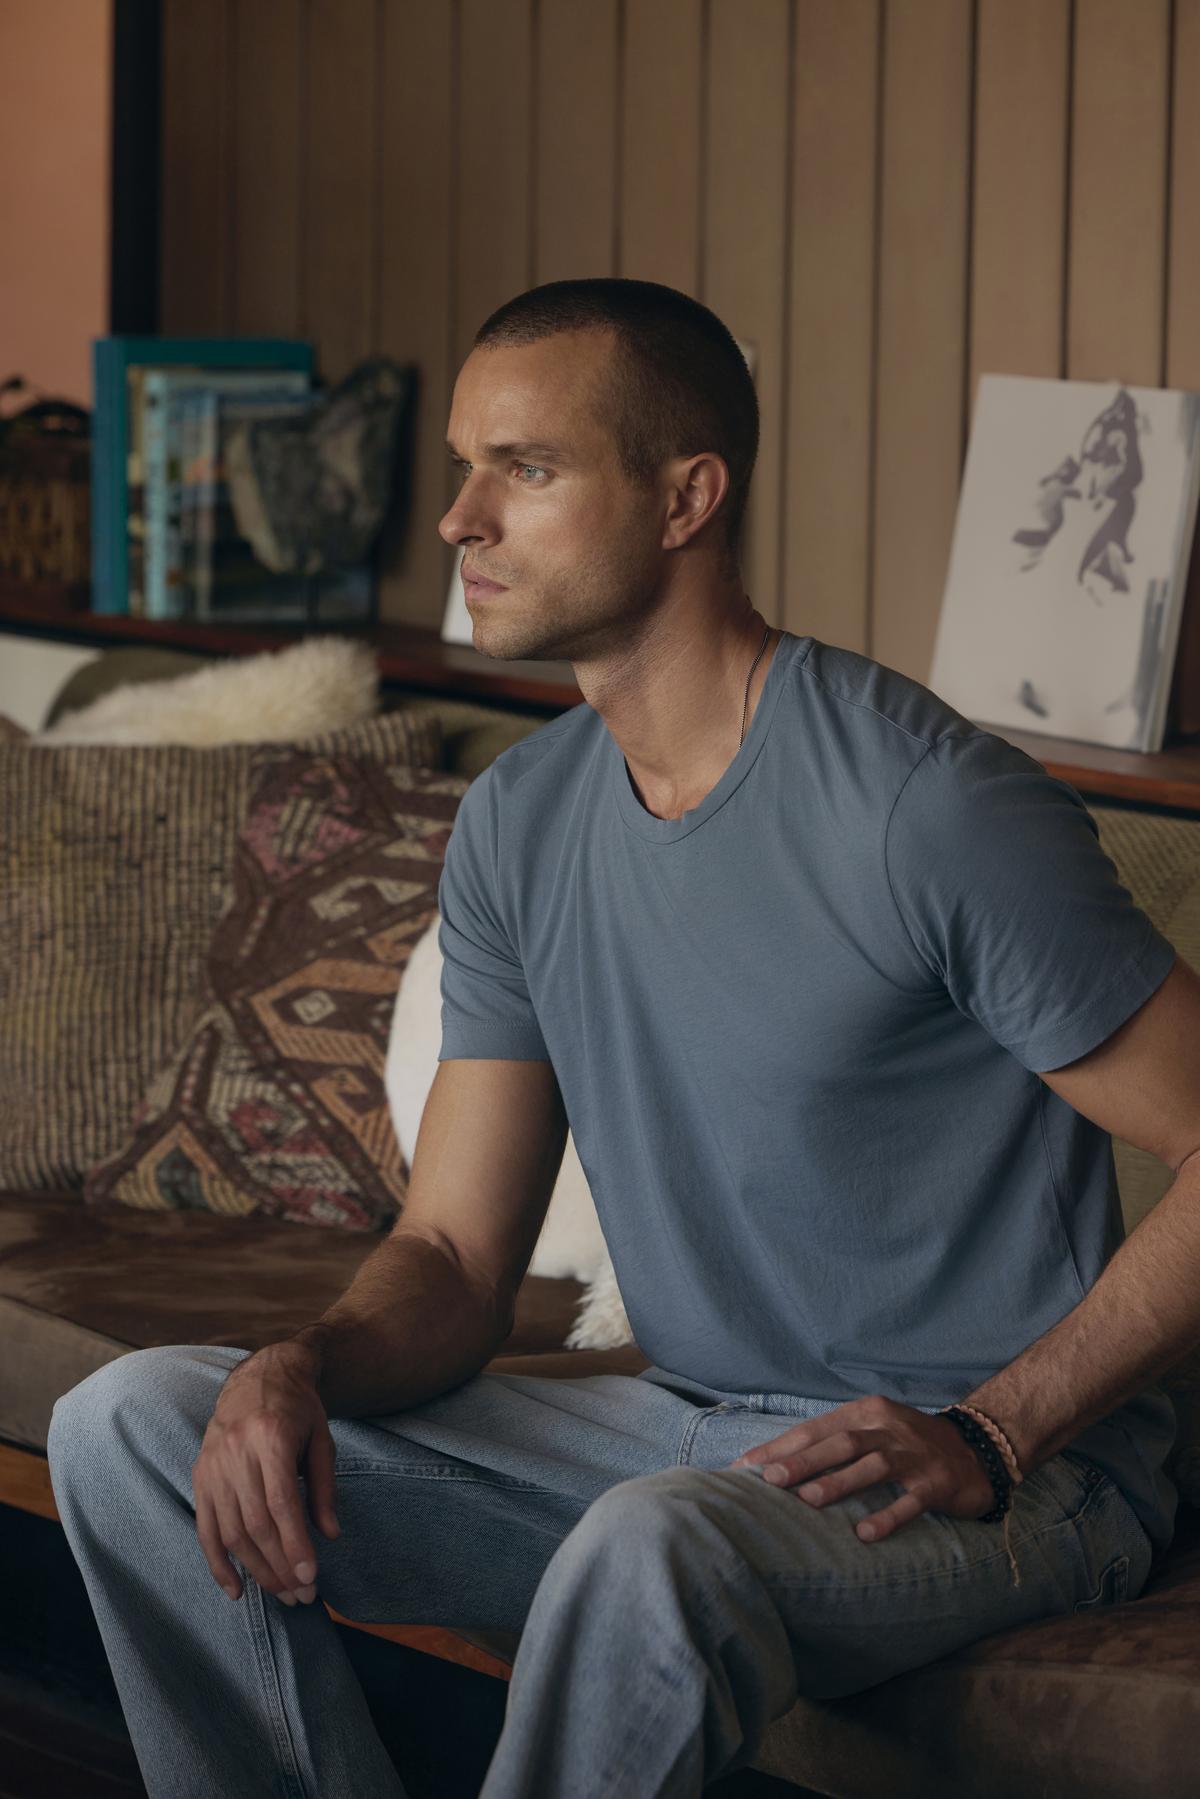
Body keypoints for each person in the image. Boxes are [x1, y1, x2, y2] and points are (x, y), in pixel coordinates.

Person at [47, 278, 1200, 1799]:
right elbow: (456, 1260)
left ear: (686, 498)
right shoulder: (525, 821)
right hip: (697, 1434)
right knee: (132, 1424)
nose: (459, 519)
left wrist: (996, 1430)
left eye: (523, 470)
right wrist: (298, 1366)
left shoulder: (924, 808)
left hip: (998, 1480)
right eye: (466, 466)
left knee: (655, 1544)